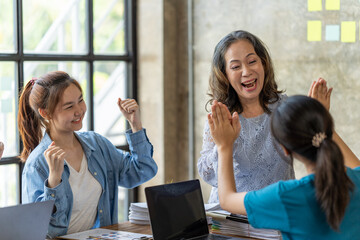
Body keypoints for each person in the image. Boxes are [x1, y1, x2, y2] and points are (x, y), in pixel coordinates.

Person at [18, 71, 158, 238]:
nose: (79, 110)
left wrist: (135, 125)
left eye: (81, 100)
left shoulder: (97, 144)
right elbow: (41, 231)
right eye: (69, 106)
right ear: (45, 113)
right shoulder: (37, 164)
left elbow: (142, 170)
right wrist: (54, 181)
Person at [210, 91, 360, 238]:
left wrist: (224, 146)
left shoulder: (285, 196)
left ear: (285, 149)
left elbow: (227, 200)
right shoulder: (357, 178)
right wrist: (321, 122)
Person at [198, 30, 294, 203]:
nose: (246, 71)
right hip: (232, 217)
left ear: (263, 63)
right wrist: (222, 145)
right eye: (235, 67)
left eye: (252, 61)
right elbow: (209, 175)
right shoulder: (221, 116)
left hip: (277, 213)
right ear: (224, 74)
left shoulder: (284, 107)